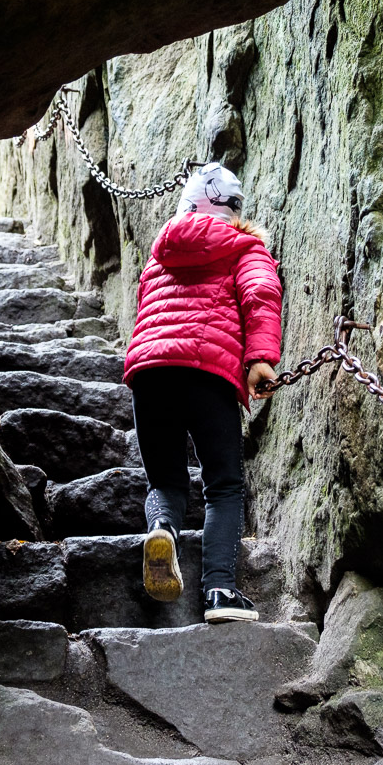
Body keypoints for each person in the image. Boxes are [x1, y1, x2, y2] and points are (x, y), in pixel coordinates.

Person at [122, 163, 282, 623]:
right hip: (207, 373)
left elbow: (146, 309)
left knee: (166, 481)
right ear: (233, 212)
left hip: (150, 370)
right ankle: (219, 590)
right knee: (224, 484)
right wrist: (260, 358)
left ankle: (163, 531)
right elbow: (260, 294)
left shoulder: (161, 252)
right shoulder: (244, 246)